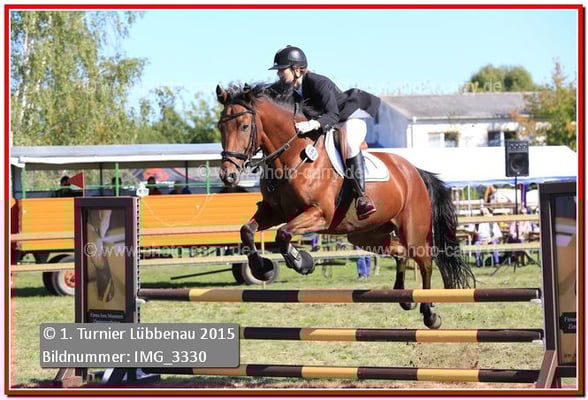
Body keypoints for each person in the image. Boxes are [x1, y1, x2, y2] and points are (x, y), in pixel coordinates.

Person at [268, 45, 380, 220]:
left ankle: (362, 198)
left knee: (351, 144)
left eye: (282, 70)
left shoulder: (318, 82)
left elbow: (333, 115)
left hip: (349, 118)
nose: (279, 74)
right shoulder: (292, 89)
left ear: (297, 70)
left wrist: (313, 124)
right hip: (328, 122)